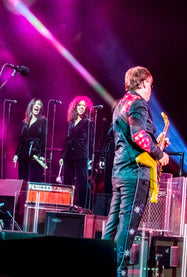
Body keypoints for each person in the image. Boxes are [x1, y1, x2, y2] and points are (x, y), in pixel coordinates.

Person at [102, 66, 169, 277]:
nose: (151, 89)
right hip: (134, 174)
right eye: (150, 84)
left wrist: (156, 144)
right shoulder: (139, 103)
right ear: (141, 83)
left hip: (119, 171)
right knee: (128, 224)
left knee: (113, 223)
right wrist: (160, 154)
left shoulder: (120, 104)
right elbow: (139, 136)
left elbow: (129, 139)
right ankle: (117, 269)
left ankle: (99, 263)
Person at [59, 96, 94, 209]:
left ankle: (82, 206)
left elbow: (90, 140)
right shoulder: (71, 122)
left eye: (84, 106)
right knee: (67, 180)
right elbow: (67, 139)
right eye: (80, 105)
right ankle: (66, 204)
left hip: (81, 154)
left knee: (82, 181)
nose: (82, 108)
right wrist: (62, 155)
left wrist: (90, 156)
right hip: (69, 153)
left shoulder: (88, 122)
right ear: (76, 107)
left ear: (87, 109)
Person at [13, 98, 47, 182]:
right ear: (31, 106)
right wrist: (17, 154)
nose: (37, 106)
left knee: (34, 179)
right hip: (23, 154)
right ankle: (22, 195)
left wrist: (42, 154)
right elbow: (21, 139)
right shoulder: (25, 122)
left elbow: (44, 139)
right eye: (35, 104)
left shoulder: (43, 121)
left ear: (41, 108)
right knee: (22, 180)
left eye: (39, 104)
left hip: (35, 155)